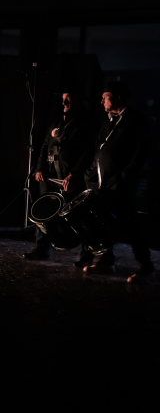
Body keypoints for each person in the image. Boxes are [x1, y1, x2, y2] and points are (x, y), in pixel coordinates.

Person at [82, 80, 153, 283]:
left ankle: (145, 265)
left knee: (130, 223)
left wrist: (123, 178)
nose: (102, 101)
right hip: (103, 184)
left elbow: (140, 153)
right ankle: (105, 259)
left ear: (118, 97)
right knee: (100, 220)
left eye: (106, 97)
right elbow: (99, 149)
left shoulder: (135, 120)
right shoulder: (109, 121)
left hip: (121, 185)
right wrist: (90, 175)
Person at [24, 90, 96, 262]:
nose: (64, 103)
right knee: (44, 212)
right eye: (63, 100)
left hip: (70, 178)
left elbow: (87, 153)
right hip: (50, 177)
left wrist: (74, 174)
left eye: (68, 100)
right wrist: (39, 169)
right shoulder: (56, 122)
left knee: (78, 214)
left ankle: (86, 254)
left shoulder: (84, 124)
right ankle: (42, 248)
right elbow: (44, 146)